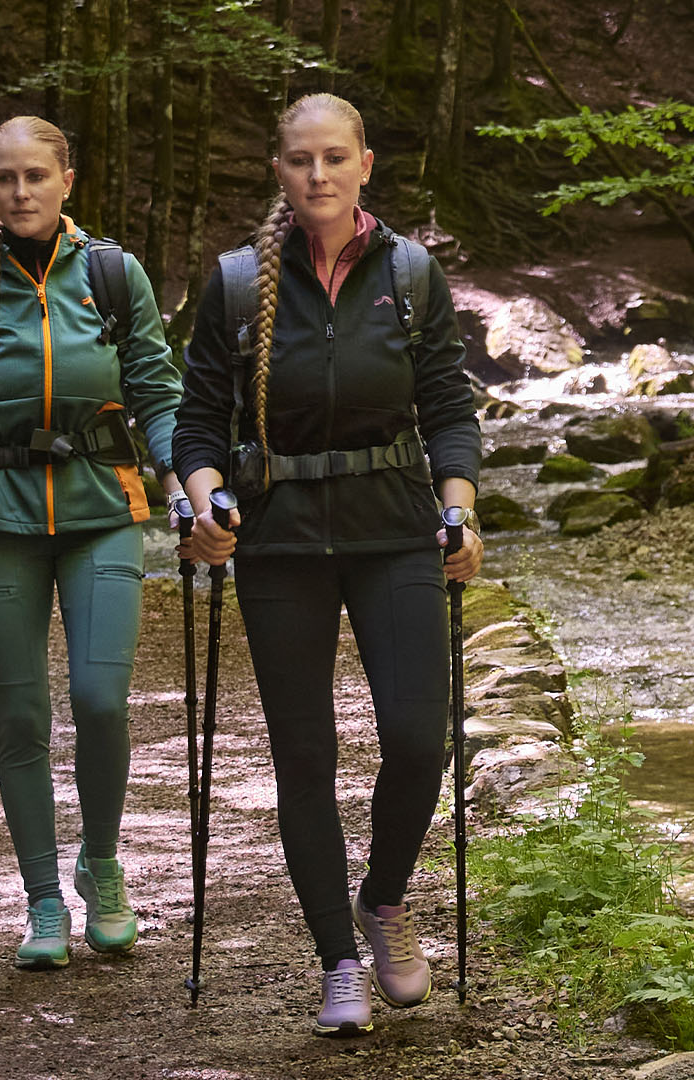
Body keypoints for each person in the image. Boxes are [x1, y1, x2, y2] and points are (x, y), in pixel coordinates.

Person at [172, 92, 483, 1036]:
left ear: (364, 166)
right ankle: (339, 962)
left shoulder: (412, 274)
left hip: (395, 531)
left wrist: (460, 512)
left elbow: (448, 410)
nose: (318, 174)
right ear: (279, 170)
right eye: (301, 159)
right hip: (280, 544)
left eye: (335, 158)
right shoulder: (237, 286)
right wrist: (205, 502)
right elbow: (197, 424)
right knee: (304, 757)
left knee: (419, 741)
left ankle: (383, 899)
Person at [0, 115, 184, 971]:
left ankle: (101, 865)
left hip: (103, 510)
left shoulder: (112, 275)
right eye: (4, 178)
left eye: (35, 176)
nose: (20, 192)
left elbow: (158, 393)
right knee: (21, 717)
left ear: (67, 181)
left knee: (100, 701)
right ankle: (41, 902)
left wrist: (185, 481)